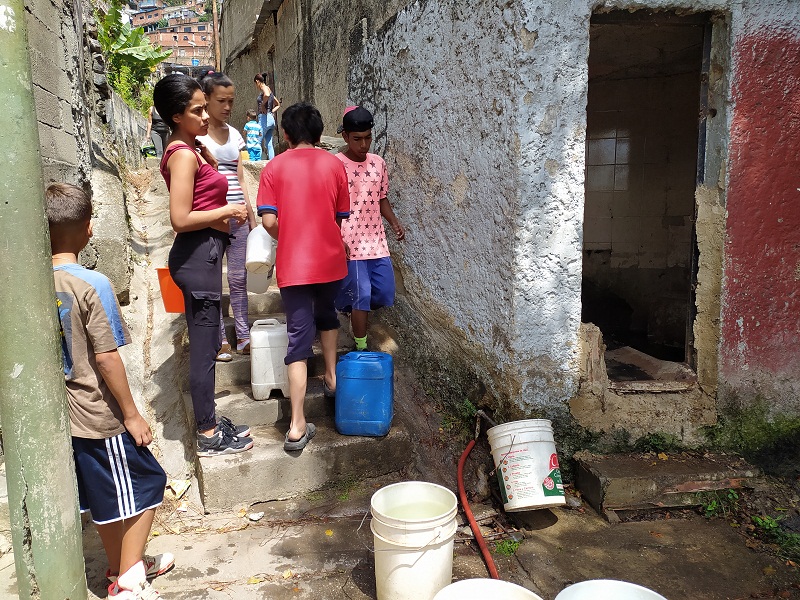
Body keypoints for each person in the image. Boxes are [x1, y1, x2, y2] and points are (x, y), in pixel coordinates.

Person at [47, 183, 174, 599]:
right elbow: (107, 358)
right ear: (87, 229)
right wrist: (132, 414)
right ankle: (129, 582)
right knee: (150, 482)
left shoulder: (33, 284)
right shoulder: (91, 284)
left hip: (66, 413)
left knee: (104, 499)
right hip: (99, 413)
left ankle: (123, 568)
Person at [153, 73, 253, 457]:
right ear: (177, 116)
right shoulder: (181, 155)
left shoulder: (191, 148)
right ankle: (208, 433)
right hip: (196, 258)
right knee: (205, 349)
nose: (206, 116)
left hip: (204, 254)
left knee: (210, 344)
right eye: (197, 111)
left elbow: (198, 205)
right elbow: (180, 218)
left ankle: (210, 419)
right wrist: (227, 209)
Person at [256, 102, 350, 452]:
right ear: (318, 130)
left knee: (297, 339)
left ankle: (296, 425)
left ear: (285, 135)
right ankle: (331, 378)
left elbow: (267, 222)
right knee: (327, 317)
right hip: (330, 261)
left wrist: (290, 236)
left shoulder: (274, 168)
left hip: (294, 266)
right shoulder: (334, 165)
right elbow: (340, 217)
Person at [196, 70, 257, 360]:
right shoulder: (197, 137)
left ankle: (243, 335)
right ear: (205, 99)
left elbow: (241, 177)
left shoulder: (234, 134)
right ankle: (219, 338)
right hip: (212, 218)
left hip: (239, 218)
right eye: (221, 100)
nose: (228, 107)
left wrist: (252, 215)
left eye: (231, 101)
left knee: (238, 279)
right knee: (213, 283)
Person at [335, 106, 405, 351]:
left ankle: (351, 311)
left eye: (367, 138)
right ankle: (361, 346)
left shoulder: (378, 163)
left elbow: (381, 197)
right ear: (345, 136)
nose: (363, 145)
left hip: (376, 241)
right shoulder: (336, 165)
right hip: (349, 243)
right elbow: (329, 205)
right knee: (361, 296)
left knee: (384, 290)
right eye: (357, 139)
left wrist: (394, 221)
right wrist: (335, 238)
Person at [254, 72, 280, 160]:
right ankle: (271, 162)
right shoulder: (269, 89)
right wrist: (272, 111)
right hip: (271, 119)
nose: (256, 86)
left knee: (257, 141)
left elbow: (267, 95)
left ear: (257, 81)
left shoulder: (265, 88)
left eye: (255, 84)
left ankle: (256, 162)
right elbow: (277, 104)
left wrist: (262, 105)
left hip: (264, 119)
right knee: (269, 143)